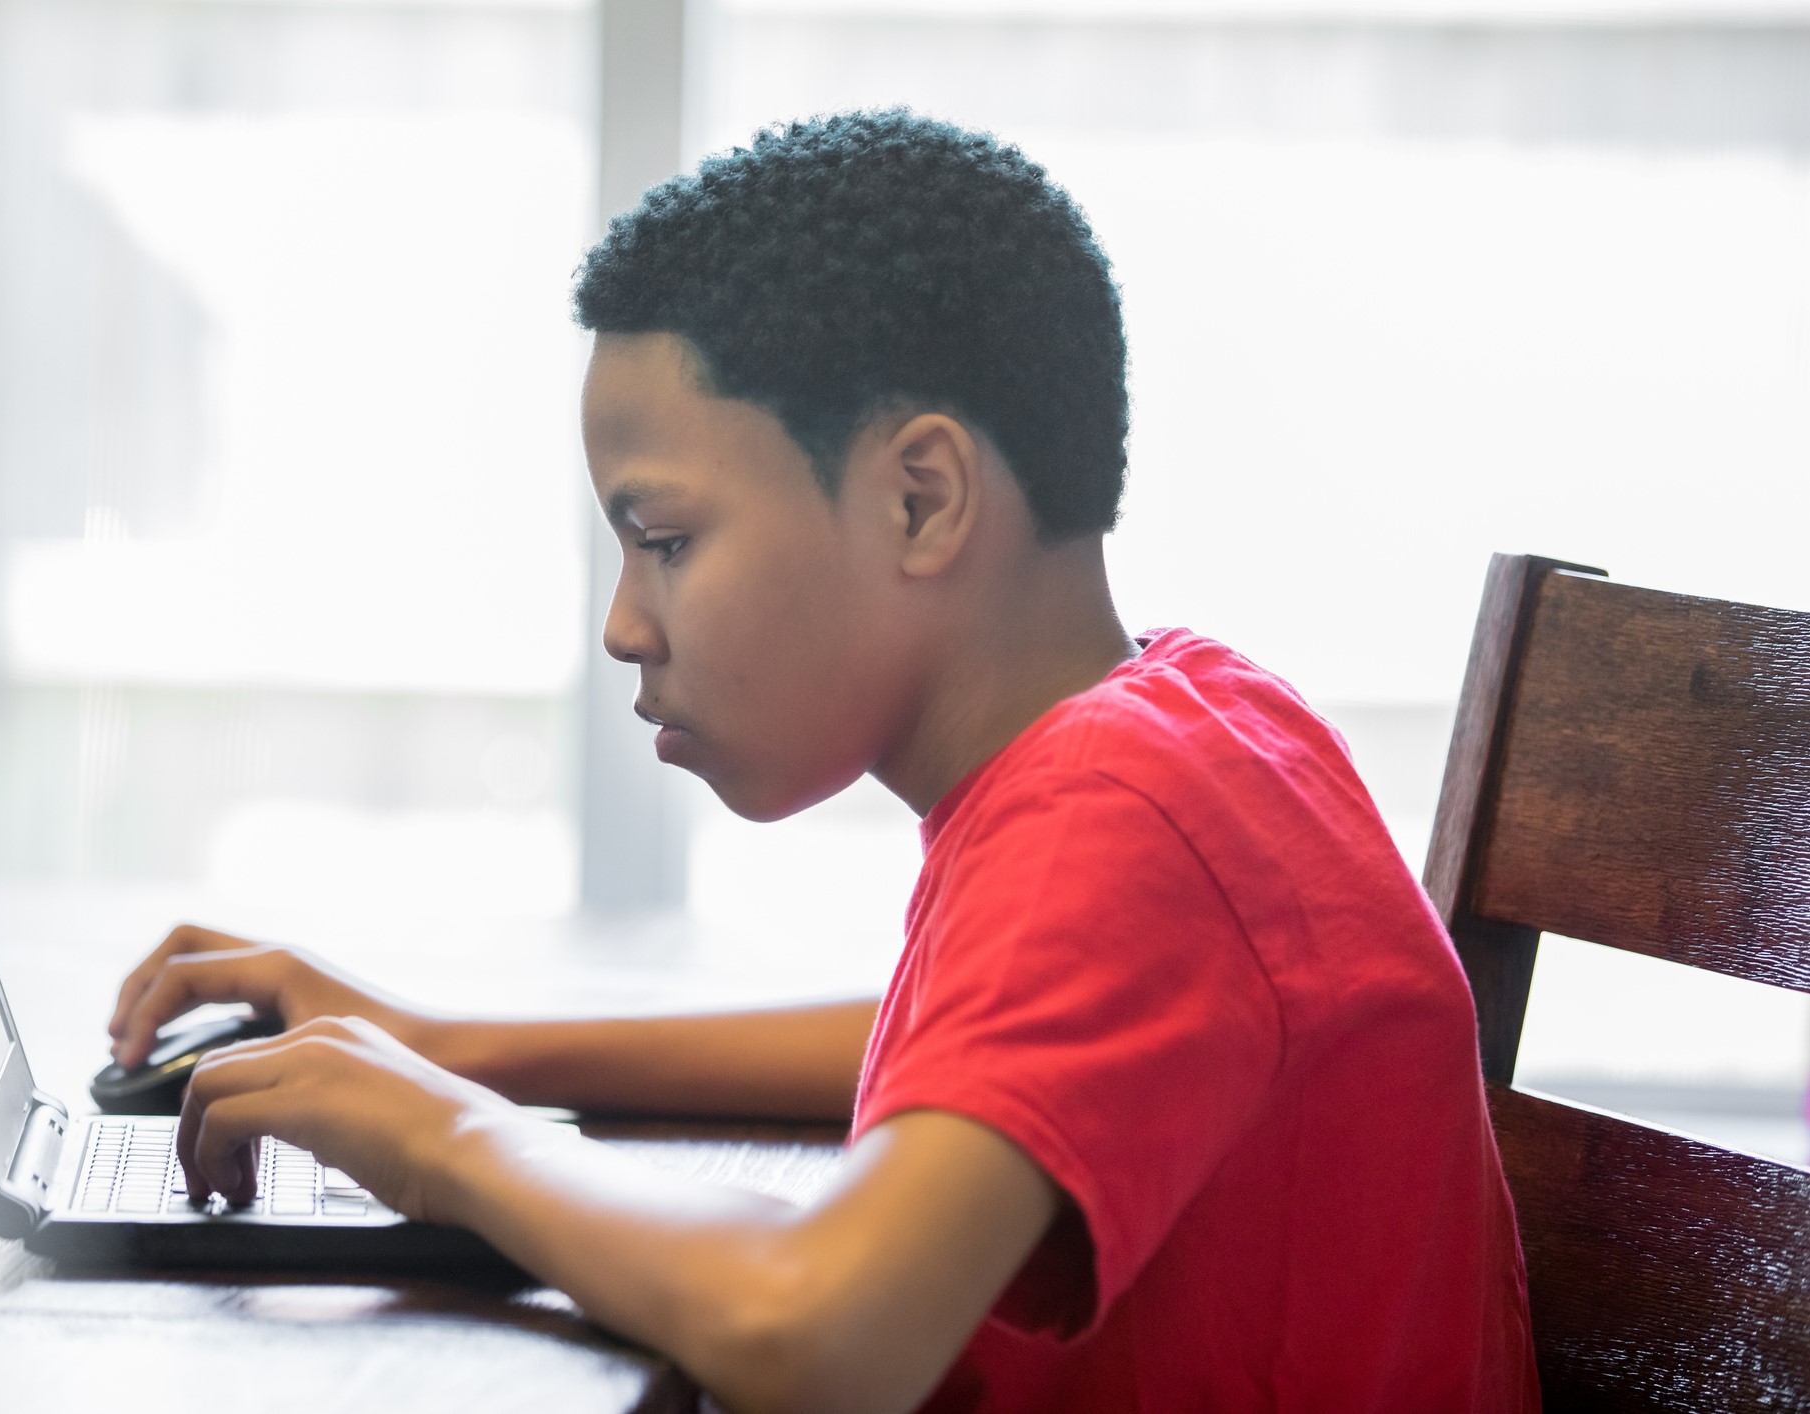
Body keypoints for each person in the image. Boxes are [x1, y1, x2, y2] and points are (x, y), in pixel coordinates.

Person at [105, 110, 1539, 1413]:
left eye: (663, 539)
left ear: (920, 498)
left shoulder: (1124, 808)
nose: (621, 624)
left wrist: (453, 1142)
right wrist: (454, 1046)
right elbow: (961, 1044)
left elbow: (820, 1332)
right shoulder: (1198, 720)